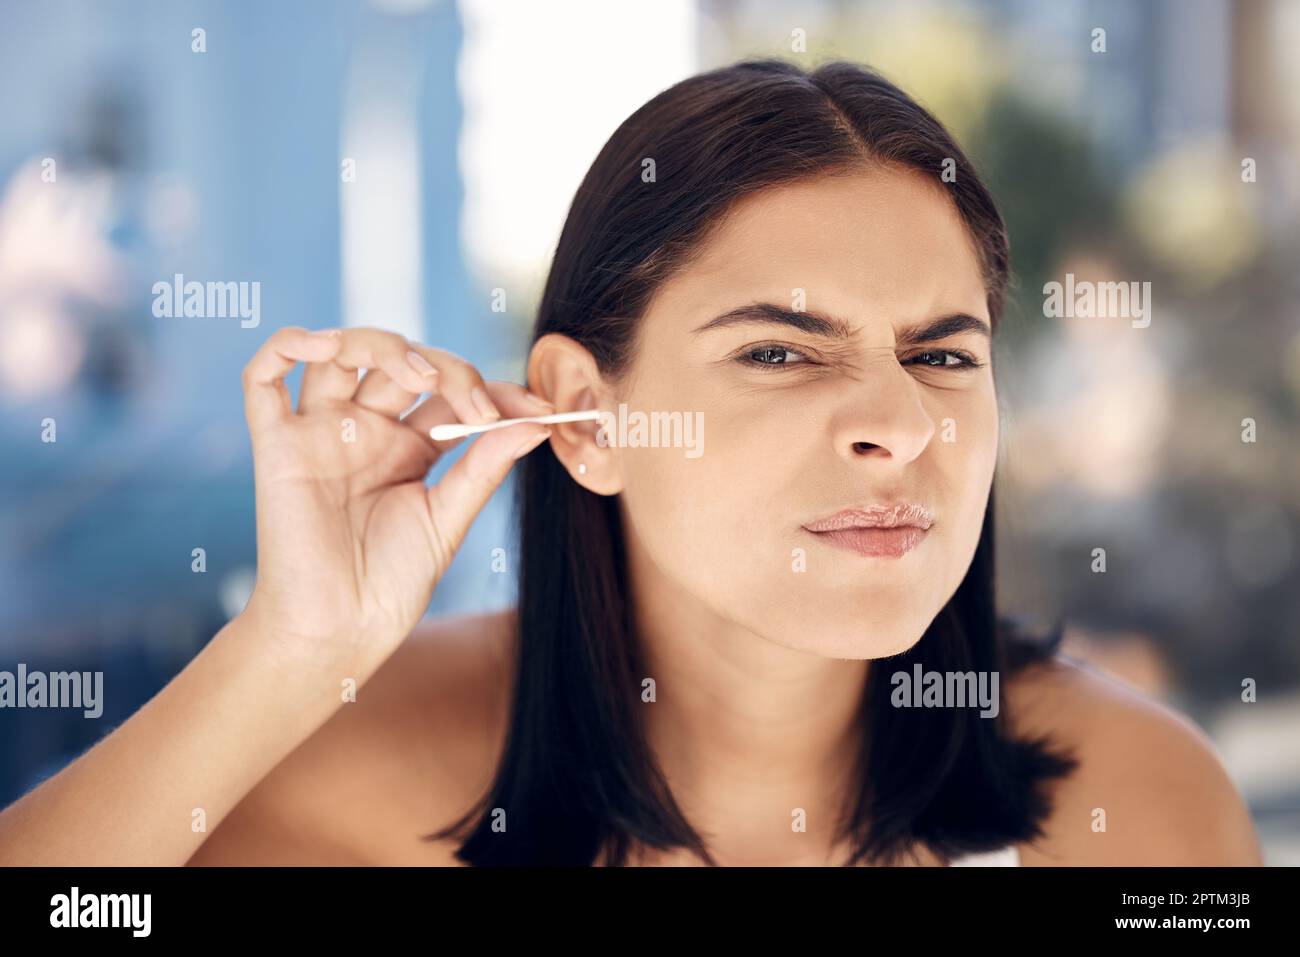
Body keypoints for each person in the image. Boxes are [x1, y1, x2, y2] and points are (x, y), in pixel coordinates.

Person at [0, 59, 1262, 867]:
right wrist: (290, 652)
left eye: (941, 358)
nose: (903, 425)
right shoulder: (347, 794)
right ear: (584, 417)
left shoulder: (1137, 816)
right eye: (781, 353)